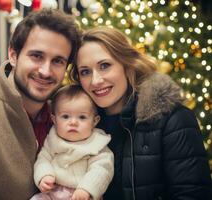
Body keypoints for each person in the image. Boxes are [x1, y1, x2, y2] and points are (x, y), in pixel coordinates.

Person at [0, 9, 81, 200]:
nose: (45, 71)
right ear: (13, 55)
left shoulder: (64, 117)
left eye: (58, 61)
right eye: (36, 56)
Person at [69, 26, 212, 200]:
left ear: (127, 65)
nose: (96, 80)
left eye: (104, 66)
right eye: (85, 72)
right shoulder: (77, 124)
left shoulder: (173, 120)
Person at [30, 85, 114, 200]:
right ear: (54, 120)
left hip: (81, 194)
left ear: (94, 121)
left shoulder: (97, 144)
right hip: (53, 191)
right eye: (65, 116)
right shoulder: (52, 140)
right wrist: (44, 175)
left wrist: (86, 189)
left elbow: (102, 170)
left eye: (82, 117)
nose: (73, 122)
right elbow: (42, 159)